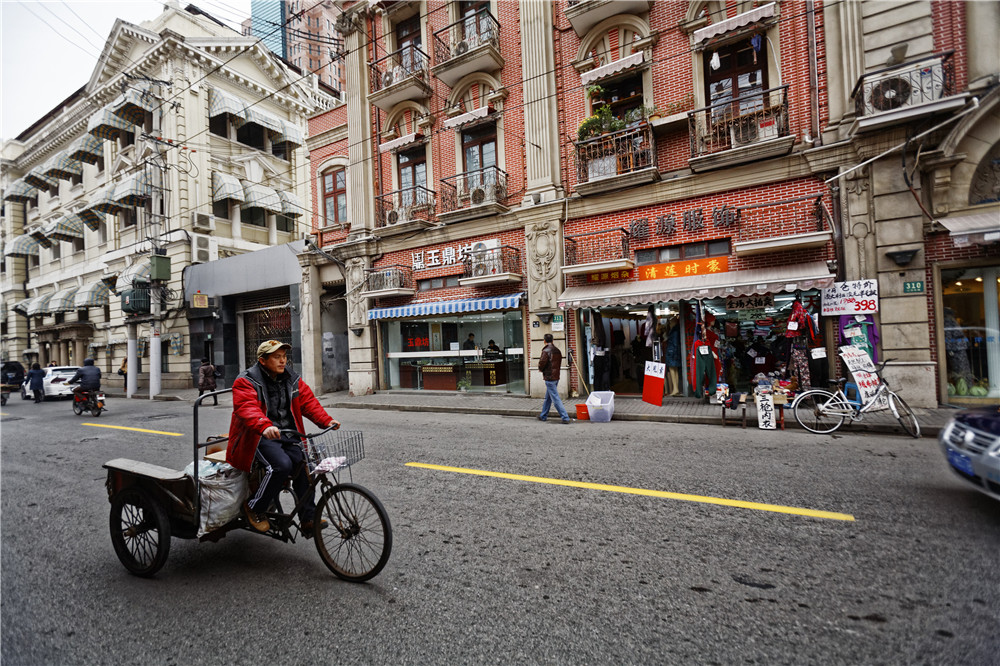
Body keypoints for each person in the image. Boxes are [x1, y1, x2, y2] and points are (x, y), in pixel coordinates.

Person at [227, 340, 339, 537]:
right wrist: (265, 425)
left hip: (287, 433)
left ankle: (307, 519)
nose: (282, 361)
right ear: (263, 360)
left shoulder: (291, 379)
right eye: (277, 357)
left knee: (305, 466)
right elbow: (246, 408)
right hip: (258, 435)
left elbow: (309, 402)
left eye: (284, 357)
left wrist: (327, 421)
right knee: (282, 465)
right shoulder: (245, 380)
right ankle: (254, 507)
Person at [537, 333, 571, 423]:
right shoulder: (557, 350)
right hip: (556, 376)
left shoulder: (546, 351)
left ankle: (565, 417)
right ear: (552, 340)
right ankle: (543, 415)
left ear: (544, 341)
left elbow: (542, 363)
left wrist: (540, 369)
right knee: (548, 397)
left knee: (555, 398)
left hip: (549, 377)